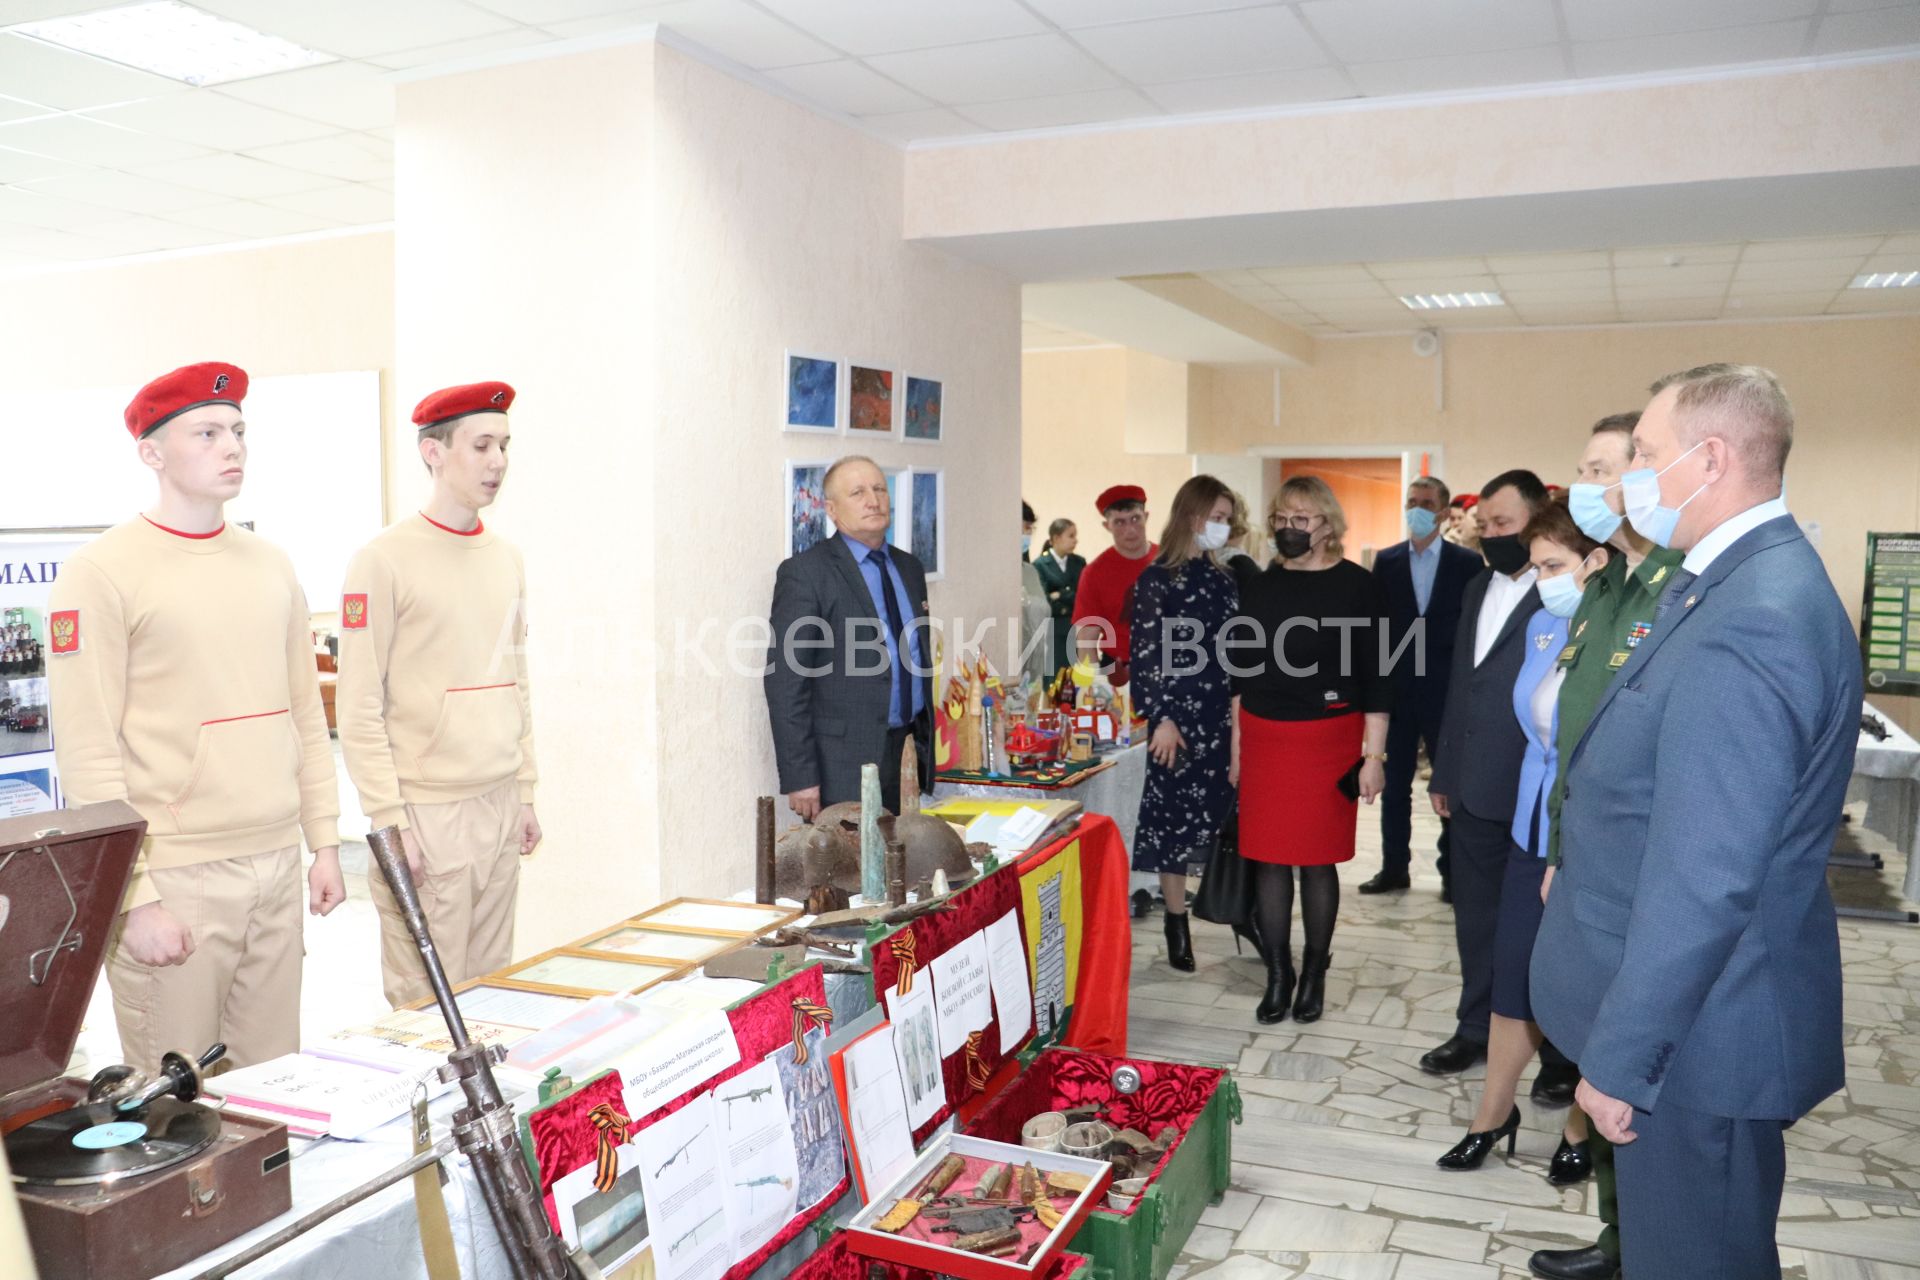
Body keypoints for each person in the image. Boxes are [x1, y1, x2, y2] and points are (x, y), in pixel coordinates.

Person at [1533, 366, 1857, 1279]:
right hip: (1697, 1025)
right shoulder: (1726, 582)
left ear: (1709, 459)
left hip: (1694, 1045)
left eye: (1641, 453)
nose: (1624, 476)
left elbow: (1707, 873)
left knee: (1697, 1257)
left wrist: (1623, 1059)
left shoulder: (1756, 615)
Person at [47, 362, 342, 1071]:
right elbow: (88, 752)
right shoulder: (101, 572)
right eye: (207, 433)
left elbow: (305, 714)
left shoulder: (271, 564)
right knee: (178, 1109)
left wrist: (324, 841)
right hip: (175, 874)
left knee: (273, 1090)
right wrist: (133, 896)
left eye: (238, 431)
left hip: (273, 864)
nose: (231, 447)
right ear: (152, 452)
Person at [1526, 410, 1685, 1280]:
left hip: (1641, 873)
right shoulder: (1607, 588)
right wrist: (1557, 852)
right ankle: (1622, 1241)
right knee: (1601, 1050)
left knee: (1636, 1063)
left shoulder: (1676, 590)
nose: (1584, 487)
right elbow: (1575, 749)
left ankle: (1650, 1247)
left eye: (1601, 468)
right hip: (1584, 863)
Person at [337, 381, 542, 1009]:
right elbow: (359, 706)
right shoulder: (383, 559)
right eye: (481, 446)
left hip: (499, 802)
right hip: (425, 814)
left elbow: (517, 683)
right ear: (433, 452)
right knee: (428, 1008)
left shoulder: (505, 557)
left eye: (503, 445)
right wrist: (390, 821)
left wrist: (525, 792)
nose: (497, 462)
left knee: (491, 995)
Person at [1437, 498, 1599, 1181]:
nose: (1543, 580)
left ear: (1598, 561)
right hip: (1533, 829)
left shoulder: (1626, 634)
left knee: (1589, 982)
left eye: (1554, 566)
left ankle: (1580, 1124)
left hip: (1592, 838)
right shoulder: (1543, 626)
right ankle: (1492, 1113)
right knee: (1513, 972)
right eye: (1536, 567)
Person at [1422, 470, 1578, 1105]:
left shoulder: (1565, 590)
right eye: (1484, 526)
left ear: (1537, 520)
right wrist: (1445, 771)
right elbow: (1463, 683)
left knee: (1548, 929)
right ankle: (1476, 1026)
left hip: (1538, 793)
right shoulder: (1475, 585)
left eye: (1504, 525)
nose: (1491, 537)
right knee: (1477, 917)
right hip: (1476, 786)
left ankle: (1561, 1053)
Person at [1232, 476, 1389, 1024]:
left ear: (1327, 526)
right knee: (1269, 861)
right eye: (1281, 519)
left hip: (1328, 740)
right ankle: (1279, 972)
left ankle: (1315, 971)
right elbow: (1241, 674)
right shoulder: (1260, 586)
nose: (1288, 529)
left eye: (1301, 520)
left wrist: (1375, 757)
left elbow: (1378, 679)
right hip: (1265, 737)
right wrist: (1237, 751)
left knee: (1318, 863)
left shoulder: (1358, 587)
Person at [767, 454, 934, 820]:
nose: (873, 500)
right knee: (851, 873)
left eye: (879, 489)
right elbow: (786, 683)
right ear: (831, 509)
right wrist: (801, 777)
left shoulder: (909, 568)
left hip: (906, 752)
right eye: (857, 492)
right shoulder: (806, 573)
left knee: (903, 869)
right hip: (841, 764)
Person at [1128, 475, 1240, 974]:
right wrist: (1162, 718)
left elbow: (1238, 655)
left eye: (1227, 519)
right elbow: (1147, 654)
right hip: (1176, 722)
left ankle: (1240, 912)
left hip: (1221, 717)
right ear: (1193, 518)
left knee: (1227, 823)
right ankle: (1177, 922)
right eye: (1218, 517)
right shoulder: (1157, 580)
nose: (1224, 526)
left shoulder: (1223, 578)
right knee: (1173, 829)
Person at [1365, 475, 1480, 899]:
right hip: (1396, 690)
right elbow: (1377, 626)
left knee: (1447, 783)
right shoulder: (1388, 560)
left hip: (1445, 690)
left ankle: (1452, 873)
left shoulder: (1466, 564)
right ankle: (1394, 868)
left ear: (1444, 512)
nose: (1417, 507)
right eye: (1412, 500)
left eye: (1426, 502)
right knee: (1393, 785)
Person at [1071, 485, 1157, 685]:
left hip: (1171, 666)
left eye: (1135, 519)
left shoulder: (1170, 563)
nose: (1130, 530)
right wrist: (1091, 689)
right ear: (1106, 525)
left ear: (1146, 516)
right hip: (1118, 674)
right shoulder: (1094, 573)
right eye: (1119, 522)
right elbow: (1086, 639)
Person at [1033, 518, 1085, 677]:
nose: (1076, 540)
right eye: (1071, 536)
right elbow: (1043, 601)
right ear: (1056, 538)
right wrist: (1067, 596)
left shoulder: (1079, 562)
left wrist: (1060, 594)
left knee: (1074, 680)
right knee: (1053, 679)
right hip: (1052, 630)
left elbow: (1084, 597)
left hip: (1075, 628)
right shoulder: (1040, 564)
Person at [1019, 501, 1052, 687]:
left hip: (1034, 669)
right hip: (1007, 670)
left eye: (1031, 529)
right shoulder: (995, 573)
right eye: (1025, 528)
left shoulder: (1030, 572)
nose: (1028, 534)